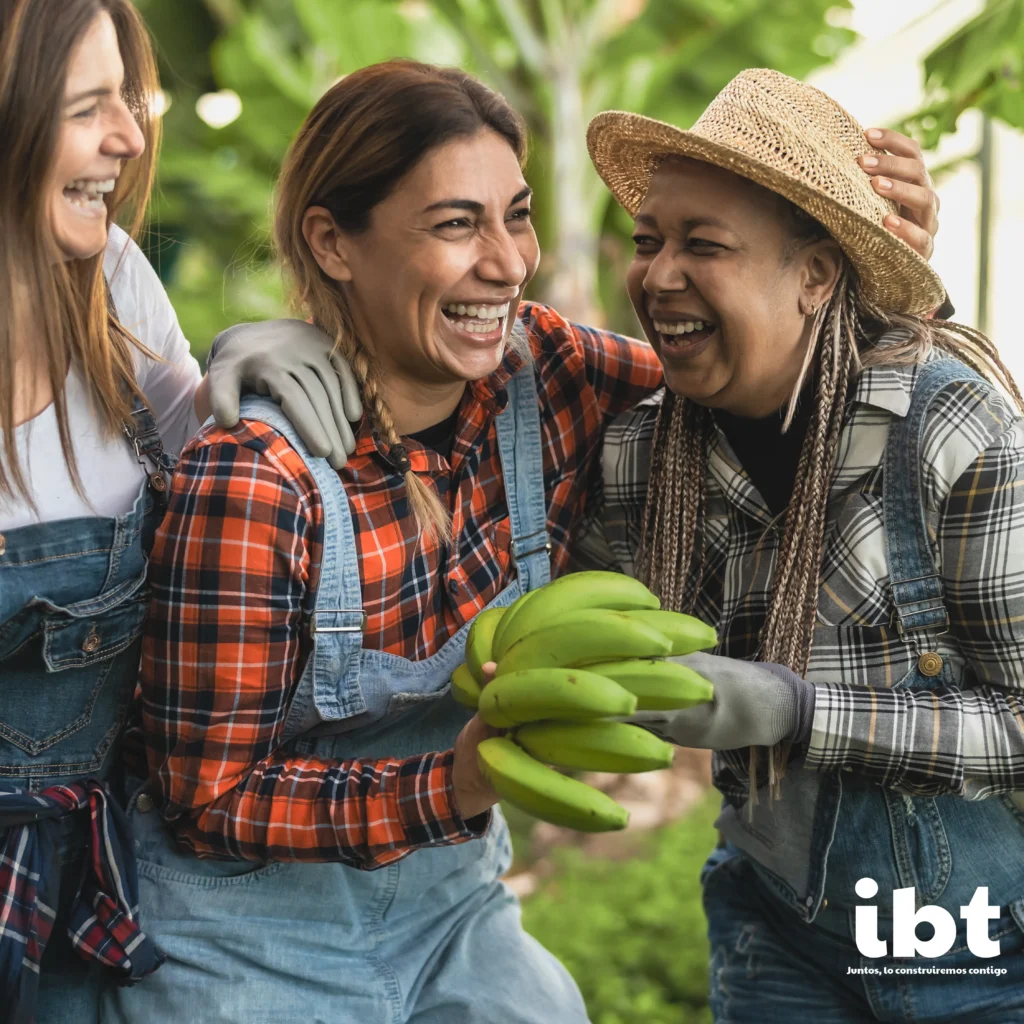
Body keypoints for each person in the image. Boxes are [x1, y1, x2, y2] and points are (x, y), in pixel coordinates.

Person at [110, 62, 942, 1023]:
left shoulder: (547, 373)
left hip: (454, 909)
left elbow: (765, 380)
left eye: (516, 215)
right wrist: (454, 783)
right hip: (243, 937)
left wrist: (885, 296)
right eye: (455, 224)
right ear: (332, 241)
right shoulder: (257, 477)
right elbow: (205, 799)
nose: (507, 262)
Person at [584, 69, 1024, 1021]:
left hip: (978, 944)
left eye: (705, 245)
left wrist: (797, 711)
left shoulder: (949, 429)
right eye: (649, 240)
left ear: (817, 276)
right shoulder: (638, 458)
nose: (659, 276)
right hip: (777, 927)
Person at [0, 2, 360, 1020]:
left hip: (78, 897)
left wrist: (251, 371)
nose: (128, 136)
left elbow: (233, 483)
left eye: (128, 97)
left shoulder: (106, 281)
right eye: (86, 108)